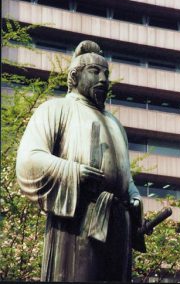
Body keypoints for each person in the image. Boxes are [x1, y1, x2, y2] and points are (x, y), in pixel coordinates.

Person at [16, 40, 145, 282]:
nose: (104, 79)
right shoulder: (56, 109)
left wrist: (135, 197)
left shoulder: (116, 124)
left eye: (106, 74)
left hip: (118, 221)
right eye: (95, 72)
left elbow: (125, 177)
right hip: (79, 218)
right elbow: (28, 158)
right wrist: (73, 172)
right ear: (74, 76)